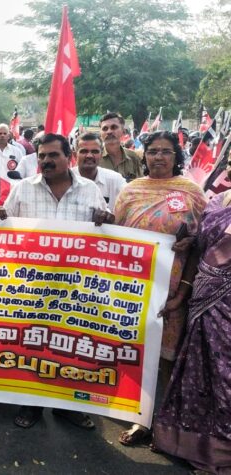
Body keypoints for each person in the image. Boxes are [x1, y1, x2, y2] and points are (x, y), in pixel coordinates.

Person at [0, 134, 112, 430]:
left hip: (74, 287)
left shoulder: (90, 190)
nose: (46, 161)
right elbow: (4, 231)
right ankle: (31, 403)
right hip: (34, 285)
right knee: (33, 344)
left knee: (71, 345)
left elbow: (105, 231)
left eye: (53, 155)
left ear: (68, 157)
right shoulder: (23, 188)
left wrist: (106, 220)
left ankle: (66, 406)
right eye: (42, 156)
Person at [113, 131, 207, 446]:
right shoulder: (130, 191)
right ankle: (141, 419)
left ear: (176, 156)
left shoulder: (191, 192)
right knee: (137, 355)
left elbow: (203, 242)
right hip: (134, 288)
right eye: (152, 151)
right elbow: (116, 237)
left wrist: (182, 290)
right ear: (145, 156)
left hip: (175, 286)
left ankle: (167, 424)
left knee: (167, 357)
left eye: (166, 151)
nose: (158, 157)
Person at [152, 167, 231, 472]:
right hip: (203, 298)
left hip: (227, 302)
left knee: (226, 376)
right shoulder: (219, 200)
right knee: (201, 372)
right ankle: (195, 444)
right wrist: (183, 292)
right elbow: (202, 247)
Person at [71, 132, 127, 209]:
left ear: (101, 154)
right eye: (84, 151)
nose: (89, 156)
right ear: (75, 155)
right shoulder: (66, 180)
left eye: (95, 152)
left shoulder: (115, 180)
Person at [98, 112, 142, 182]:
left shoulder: (133, 157)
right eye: (105, 129)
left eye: (113, 127)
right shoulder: (94, 158)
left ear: (123, 131)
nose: (109, 131)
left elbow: (139, 184)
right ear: (100, 134)